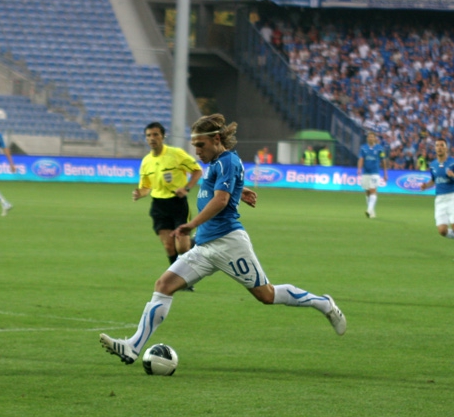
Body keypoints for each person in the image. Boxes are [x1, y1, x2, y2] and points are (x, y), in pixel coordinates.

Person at [100, 114, 346, 365]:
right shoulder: (218, 162)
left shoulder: (227, 160)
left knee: (266, 295)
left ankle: (323, 303)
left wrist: (192, 224)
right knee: (164, 285)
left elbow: (220, 200)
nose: (197, 151)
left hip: (229, 243)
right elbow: (217, 192)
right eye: (194, 146)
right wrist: (240, 189)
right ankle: (133, 346)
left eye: (201, 145)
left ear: (216, 139)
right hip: (205, 246)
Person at [132, 122, 202, 270]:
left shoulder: (176, 154)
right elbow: (146, 187)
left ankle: (195, 242)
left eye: (155, 134)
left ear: (163, 136)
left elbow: (197, 171)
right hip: (159, 206)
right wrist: (140, 193)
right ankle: (180, 280)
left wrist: (187, 188)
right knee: (169, 247)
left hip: (178, 204)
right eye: (149, 135)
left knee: (182, 247)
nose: (152, 138)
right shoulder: (146, 161)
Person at [419, 139, 454, 261]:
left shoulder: (453, 163)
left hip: (453, 197)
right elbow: (434, 180)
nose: (439, 148)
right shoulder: (433, 165)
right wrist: (426, 185)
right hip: (440, 199)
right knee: (442, 230)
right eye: (437, 145)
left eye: (442, 145)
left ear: (446, 148)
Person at [357, 131, 388, 218]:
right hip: (365, 172)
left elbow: (383, 160)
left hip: (375, 172)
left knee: (372, 190)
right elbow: (361, 158)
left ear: (375, 138)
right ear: (367, 138)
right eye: (369, 137)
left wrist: (385, 173)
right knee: (367, 192)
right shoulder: (363, 148)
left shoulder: (380, 148)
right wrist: (359, 169)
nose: (370, 138)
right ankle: (371, 211)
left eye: (372, 137)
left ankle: (369, 210)